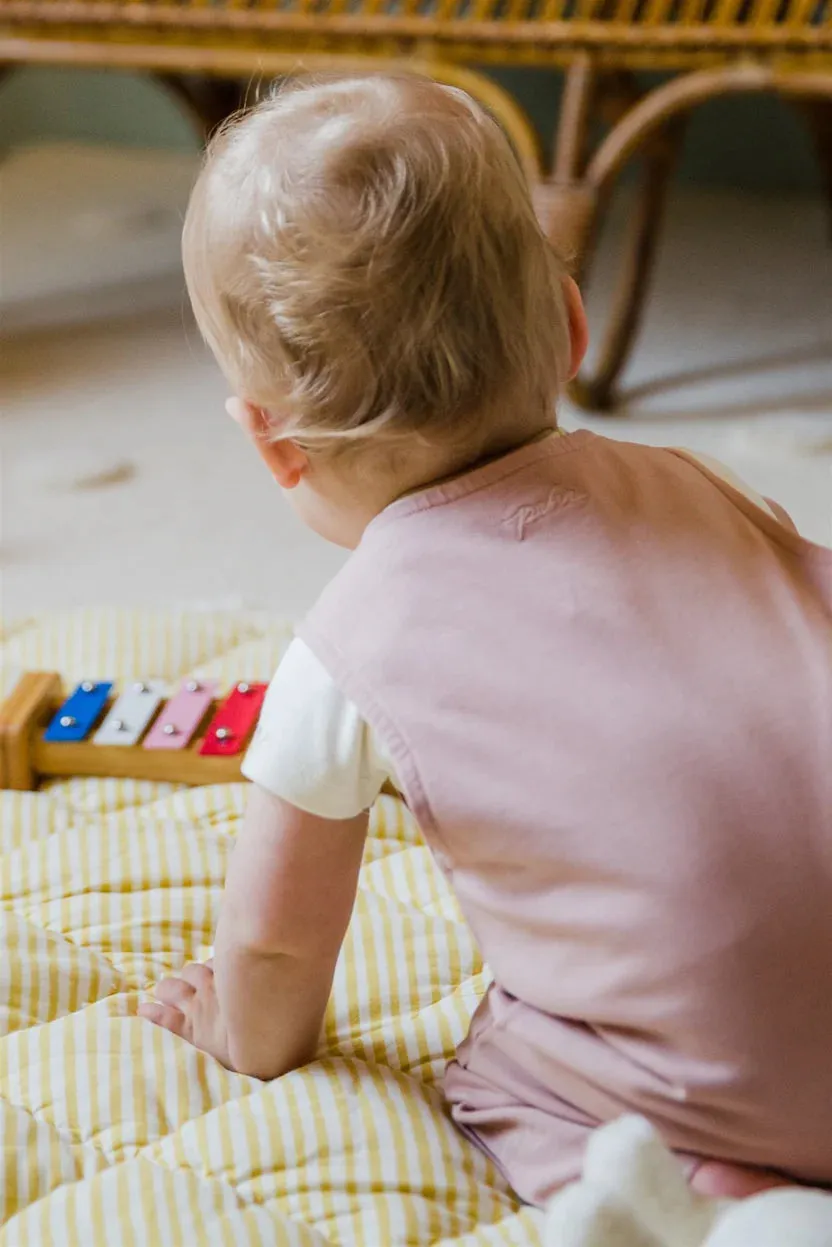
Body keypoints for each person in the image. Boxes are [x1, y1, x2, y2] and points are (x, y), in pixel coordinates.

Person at [139, 73, 832, 1208]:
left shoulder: (350, 643)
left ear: (271, 445)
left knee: (500, 1068)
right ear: (571, 324)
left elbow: (270, 956)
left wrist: (228, 1023)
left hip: (728, 1083)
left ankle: (731, 1210)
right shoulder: (694, 484)